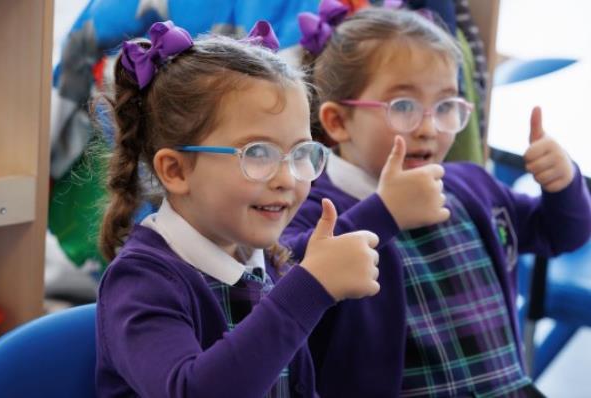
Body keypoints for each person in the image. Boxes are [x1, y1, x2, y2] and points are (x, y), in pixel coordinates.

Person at [282, 2, 591, 397]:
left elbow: (561, 234)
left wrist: (563, 184)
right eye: (404, 107)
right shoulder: (315, 209)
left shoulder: (472, 185)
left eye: (446, 106)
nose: (429, 128)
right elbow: (288, 284)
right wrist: (384, 213)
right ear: (338, 122)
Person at [95, 20, 381, 397]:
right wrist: (308, 290)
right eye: (258, 153)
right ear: (176, 170)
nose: (286, 179)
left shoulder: (265, 258)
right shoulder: (141, 281)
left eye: (300, 153)